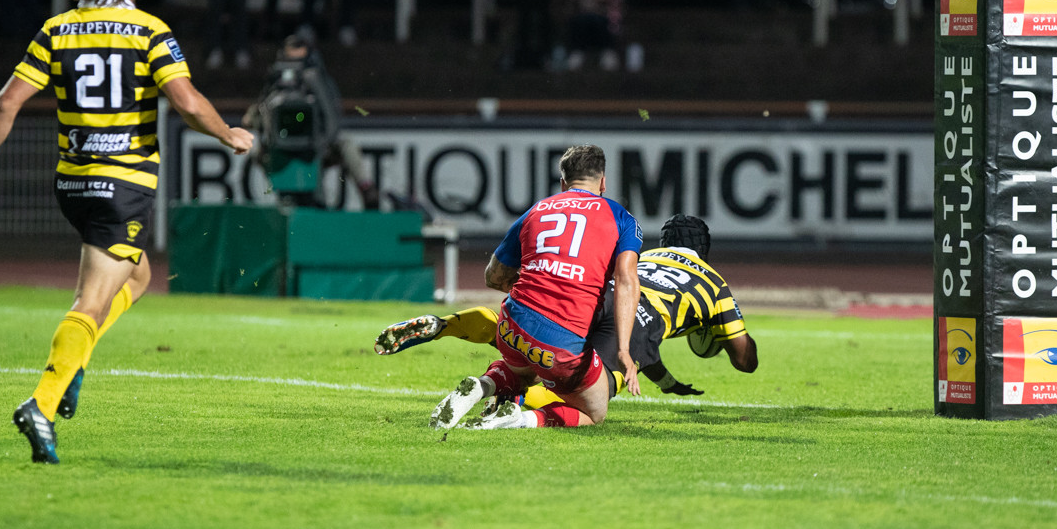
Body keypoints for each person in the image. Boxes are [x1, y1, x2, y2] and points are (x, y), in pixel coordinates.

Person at [0, 0, 254, 464]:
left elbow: (6, 103)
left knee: (136, 278)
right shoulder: (149, 31)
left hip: (73, 184)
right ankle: (41, 404)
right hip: (124, 185)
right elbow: (184, 101)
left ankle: (76, 363)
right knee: (90, 303)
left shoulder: (57, 29)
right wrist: (226, 133)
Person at [377, 214, 758, 410]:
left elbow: (645, 347)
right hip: (639, 319)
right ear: (705, 250)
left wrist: (668, 382)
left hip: (597, 296)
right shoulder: (713, 284)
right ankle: (523, 408)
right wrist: (718, 334)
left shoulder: (646, 255)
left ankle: (448, 326)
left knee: (531, 341)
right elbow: (745, 360)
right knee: (592, 395)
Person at [429, 144, 642, 431]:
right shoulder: (621, 217)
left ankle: (483, 385)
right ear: (603, 182)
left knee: (526, 368)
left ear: (563, 183)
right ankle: (521, 419)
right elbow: (627, 279)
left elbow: (492, 276)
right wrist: (624, 350)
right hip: (562, 338)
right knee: (595, 411)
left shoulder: (536, 210)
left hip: (511, 324)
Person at [242, 32, 379, 209]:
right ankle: (282, 195)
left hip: (316, 144)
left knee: (348, 145)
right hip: (282, 146)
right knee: (255, 153)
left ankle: (367, 190)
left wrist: (321, 142)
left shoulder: (318, 80)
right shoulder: (275, 81)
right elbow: (261, 112)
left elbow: (332, 117)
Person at [560, 0, 625, 71]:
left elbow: (617, 22)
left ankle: (607, 52)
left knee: (596, 19)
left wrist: (605, 4)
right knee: (583, 19)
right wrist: (574, 3)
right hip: (581, 35)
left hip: (602, 35)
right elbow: (565, 18)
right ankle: (577, 52)